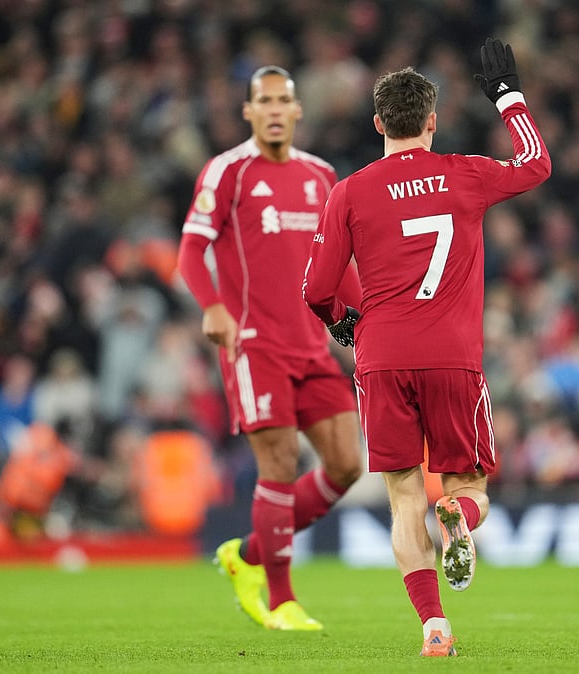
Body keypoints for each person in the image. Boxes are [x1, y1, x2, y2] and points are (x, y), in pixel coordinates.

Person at [303, 38, 551, 657]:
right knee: (467, 488)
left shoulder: (350, 192)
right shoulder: (464, 174)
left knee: (403, 498)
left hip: (381, 357)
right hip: (455, 357)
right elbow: (536, 163)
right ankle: (460, 519)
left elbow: (315, 288)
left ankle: (434, 627)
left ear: (379, 122)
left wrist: (343, 322)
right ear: (433, 121)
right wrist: (508, 96)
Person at [176, 65, 364, 632]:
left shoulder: (321, 174)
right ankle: (281, 600)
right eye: (266, 101)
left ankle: (249, 555)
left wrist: (359, 323)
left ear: (299, 110)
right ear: (249, 111)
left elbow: (337, 262)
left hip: (311, 346)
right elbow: (191, 250)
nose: (276, 109)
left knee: (347, 464)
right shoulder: (227, 171)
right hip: (253, 344)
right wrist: (212, 306)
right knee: (279, 463)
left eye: (285, 100)